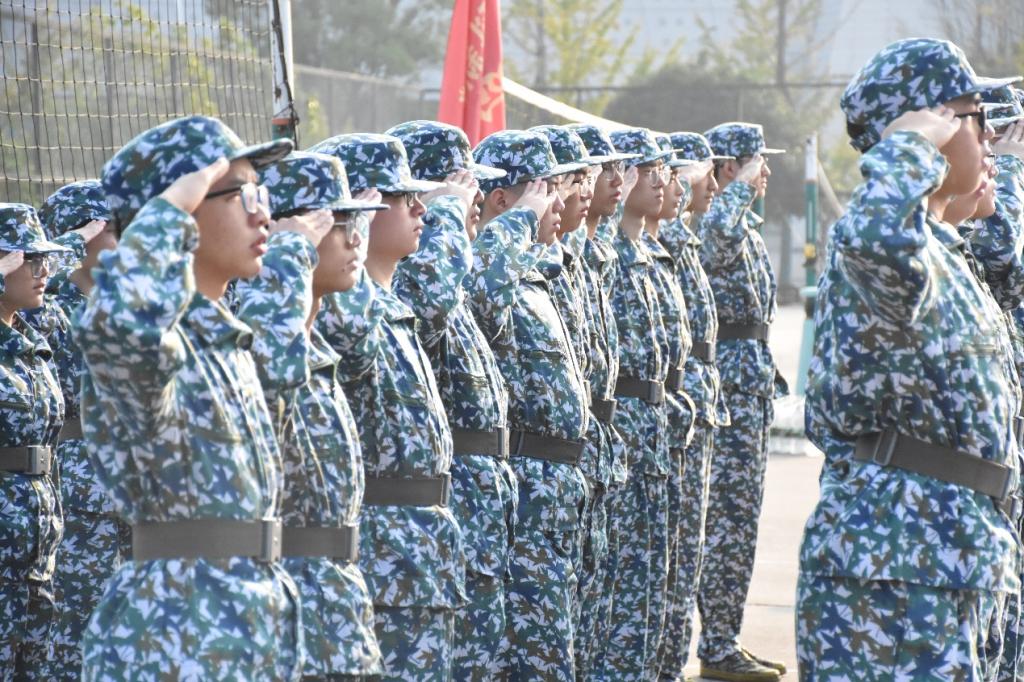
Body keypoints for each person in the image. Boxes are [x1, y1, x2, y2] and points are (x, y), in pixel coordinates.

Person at [798, 38, 1022, 680]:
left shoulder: (940, 254)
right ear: (931, 127)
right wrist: (911, 143)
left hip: (948, 552)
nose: (990, 138)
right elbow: (878, 237)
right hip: (897, 564)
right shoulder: (880, 248)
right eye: (976, 117)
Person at [75, 115, 303, 680]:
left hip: (246, 630)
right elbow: (122, 325)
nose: (263, 214)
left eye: (262, 194)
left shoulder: (224, 338)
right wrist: (169, 211)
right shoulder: (153, 344)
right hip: (176, 639)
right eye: (242, 195)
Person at [308, 132, 465, 681]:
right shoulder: (347, 309)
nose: (421, 209)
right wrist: (357, 220)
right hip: (385, 554)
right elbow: (352, 338)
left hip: (419, 551)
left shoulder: (389, 304)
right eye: (402, 198)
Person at [234, 150, 386, 680]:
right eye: (334, 224)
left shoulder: (315, 343)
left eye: (356, 224)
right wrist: (290, 252)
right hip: (289, 603)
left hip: (336, 598)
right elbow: (267, 370)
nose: (355, 240)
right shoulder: (252, 332)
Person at [384, 119, 519, 680]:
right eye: (461, 186)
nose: (474, 198)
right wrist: (444, 213)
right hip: (428, 520)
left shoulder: (447, 267)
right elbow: (428, 303)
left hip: (473, 507)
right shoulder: (411, 279)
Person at [471, 128, 589, 680]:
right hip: (525, 497)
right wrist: (521, 220)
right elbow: (480, 295)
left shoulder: (533, 270)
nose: (557, 201)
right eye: (544, 190)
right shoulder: (487, 271)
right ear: (503, 200)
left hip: (556, 496)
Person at [24, 182, 130, 681]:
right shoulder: (49, 304)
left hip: (134, 480)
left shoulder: (127, 298)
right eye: (111, 227)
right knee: (73, 626)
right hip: (81, 488)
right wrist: (67, 245)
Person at [697, 120, 788, 681]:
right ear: (729, 168)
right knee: (726, 522)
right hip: (729, 390)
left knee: (741, 522)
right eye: (756, 162)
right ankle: (716, 645)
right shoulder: (716, 219)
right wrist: (738, 188)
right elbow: (716, 237)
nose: (765, 172)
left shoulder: (745, 225)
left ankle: (724, 638)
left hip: (749, 388)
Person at [655, 131, 733, 681]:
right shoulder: (662, 241)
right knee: (661, 567)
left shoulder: (677, 242)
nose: (710, 187)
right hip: (657, 416)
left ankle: (673, 663)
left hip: (691, 405)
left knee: (684, 558)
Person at [602, 126, 674, 681]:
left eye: (659, 172)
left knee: (651, 572)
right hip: (622, 424)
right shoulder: (606, 252)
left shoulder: (647, 252)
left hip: (653, 424)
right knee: (622, 574)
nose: (658, 181)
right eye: (643, 171)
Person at [0, 203, 70, 678]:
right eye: (30, 260)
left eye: (47, 260)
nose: (43, 271)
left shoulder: (30, 342)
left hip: (35, 548)